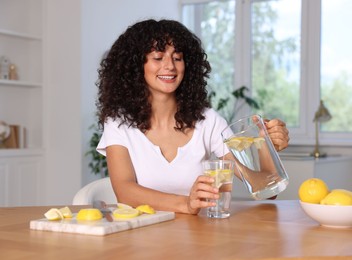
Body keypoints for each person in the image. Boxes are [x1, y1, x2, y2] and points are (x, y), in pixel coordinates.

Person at [96, 19, 289, 215]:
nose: (170, 66)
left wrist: (265, 144)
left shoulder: (208, 121)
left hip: (197, 239)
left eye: (177, 58)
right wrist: (186, 203)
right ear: (136, 65)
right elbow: (125, 192)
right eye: (158, 57)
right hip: (139, 240)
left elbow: (265, 190)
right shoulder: (118, 123)